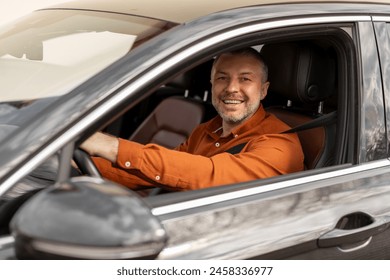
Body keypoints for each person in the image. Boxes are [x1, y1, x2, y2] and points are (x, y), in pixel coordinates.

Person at [80, 48, 304, 191]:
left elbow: (208, 175)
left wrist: (112, 146)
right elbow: (160, 173)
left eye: (245, 79)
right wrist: (82, 166)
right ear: (212, 85)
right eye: (222, 78)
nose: (231, 88)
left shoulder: (280, 143)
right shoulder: (208, 129)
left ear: (263, 90)